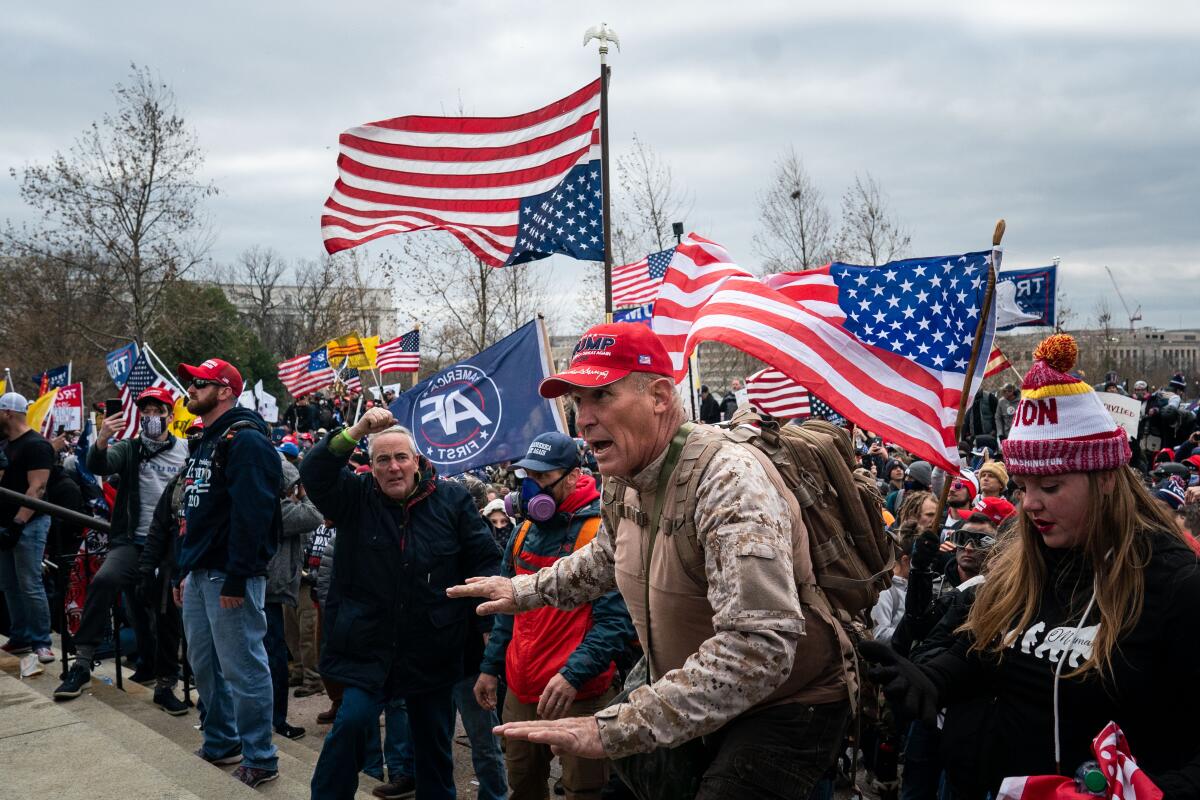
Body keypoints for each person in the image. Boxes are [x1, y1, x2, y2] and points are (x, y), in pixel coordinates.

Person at [449, 322, 852, 799]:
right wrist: (523, 591)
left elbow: (758, 649)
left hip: (784, 705)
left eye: (601, 397)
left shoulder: (729, 481)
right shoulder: (624, 472)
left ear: (660, 396)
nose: (583, 419)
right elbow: (605, 558)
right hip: (689, 688)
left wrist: (613, 728)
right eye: (578, 402)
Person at [862, 335, 1200, 798]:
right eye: (1022, 486)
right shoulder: (1024, 561)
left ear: (1104, 480)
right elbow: (985, 651)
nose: (1031, 504)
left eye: (1051, 486)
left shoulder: (1176, 583)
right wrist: (932, 678)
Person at [302, 407, 500, 800]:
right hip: (366, 648)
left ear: (417, 461)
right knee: (350, 726)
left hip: (433, 648)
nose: (393, 467)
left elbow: (484, 560)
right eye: (382, 460)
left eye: (400, 458)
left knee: (434, 748)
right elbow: (315, 471)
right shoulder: (353, 498)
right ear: (371, 467)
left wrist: (486, 625)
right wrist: (357, 429)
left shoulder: (452, 500)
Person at [476, 432, 635, 800]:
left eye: (543, 478)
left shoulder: (600, 533)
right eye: (527, 477)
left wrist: (572, 676)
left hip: (578, 691)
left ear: (576, 475)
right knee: (523, 784)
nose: (532, 487)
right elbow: (507, 609)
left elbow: (614, 624)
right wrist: (490, 668)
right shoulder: (522, 531)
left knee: (584, 789)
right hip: (521, 688)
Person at [174, 358, 282, 788]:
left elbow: (252, 515)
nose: (191, 388)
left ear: (224, 390)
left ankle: (261, 756)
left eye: (200, 383)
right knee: (204, 665)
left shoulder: (247, 441)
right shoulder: (207, 440)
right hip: (200, 572)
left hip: (230, 575)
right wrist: (185, 571)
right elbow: (194, 515)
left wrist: (238, 575)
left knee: (244, 669)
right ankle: (221, 740)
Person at [53, 386, 189, 712]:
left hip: (168, 546)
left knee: (167, 611)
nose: (152, 417)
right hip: (132, 540)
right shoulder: (130, 449)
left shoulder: (186, 450)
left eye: (159, 411)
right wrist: (100, 439)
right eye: (147, 411)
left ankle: (166, 683)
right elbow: (99, 464)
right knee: (104, 580)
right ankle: (82, 663)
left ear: (171, 416)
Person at [265, 458, 322, 740]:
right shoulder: (280, 508)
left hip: (273, 588)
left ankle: (304, 678)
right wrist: (301, 492)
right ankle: (277, 719)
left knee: (294, 639)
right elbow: (313, 515)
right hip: (271, 591)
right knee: (274, 654)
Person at [0, 392, 56, 663]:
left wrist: (18, 523)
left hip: (29, 524)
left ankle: (41, 641)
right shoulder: (4, 444)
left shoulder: (36, 445)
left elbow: (37, 488)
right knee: (9, 584)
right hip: (4, 523)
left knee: (30, 583)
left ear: (8, 412)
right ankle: (20, 635)